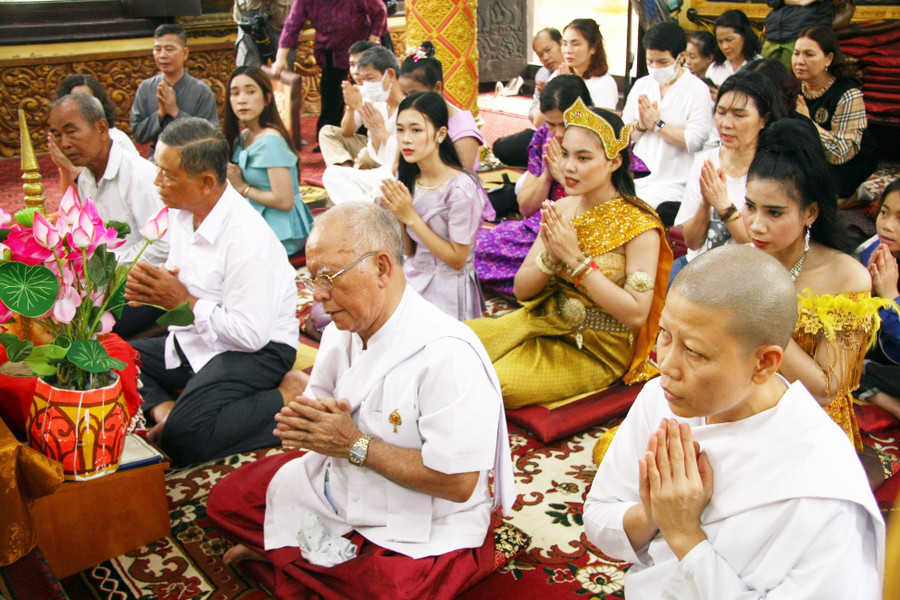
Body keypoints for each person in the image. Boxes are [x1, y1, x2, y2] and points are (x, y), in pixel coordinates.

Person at [205, 202, 515, 600]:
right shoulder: (344, 324)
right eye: (312, 278)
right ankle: (299, 559)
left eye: (328, 278)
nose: (318, 296)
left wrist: (353, 444)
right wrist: (311, 424)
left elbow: (458, 484)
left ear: (382, 268)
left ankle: (288, 554)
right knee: (226, 501)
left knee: (389, 590)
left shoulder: (447, 355)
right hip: (339, 483)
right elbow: (322, 402)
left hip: (422, 512)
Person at [584, 244, 885, 599]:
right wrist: (652, 513)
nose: (665, 365)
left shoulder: (822, 488)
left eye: (694, 351)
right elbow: (598, 518)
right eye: (665, 334)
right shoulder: (660, 398)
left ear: (764, 363)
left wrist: (684, 536)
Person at [467, 99, 672, 408]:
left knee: (493, 384)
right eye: (565, 154)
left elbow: (635, 314)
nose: (568, 166)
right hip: (543, 320)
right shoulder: (563, 208)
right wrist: (550, 256)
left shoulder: (640, 226)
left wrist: (577, 261)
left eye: (583, 157)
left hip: (598, 348)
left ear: (614, 162)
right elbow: (523, 292)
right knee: (456, 344)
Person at [124, 118, 300, 465]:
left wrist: (180, 301)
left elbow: (249, 336)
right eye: (156, 169)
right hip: (199, 336)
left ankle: (287, 394)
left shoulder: (247, 239)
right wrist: (155, 291)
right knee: (115, 358)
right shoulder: (182, 212)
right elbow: (185, 287)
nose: (156, 182)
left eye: (167, 174)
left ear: (205, 183)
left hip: (258, 350)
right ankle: (167, 409)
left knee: (183, 441)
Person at [741, 119, 894, 456]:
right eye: (750, 207)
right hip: (742, 402)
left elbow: (825, 390)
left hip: (808, 424)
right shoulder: (743, 259)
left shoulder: (847, 278)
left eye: (774, 213)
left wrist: (764, 311)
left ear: (810, 213)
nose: (756, 225)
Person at [475, 75, 592, 297]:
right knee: (475, 245)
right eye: (551, 123)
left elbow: (604, 205)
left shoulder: (601, 142)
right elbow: (526, 208)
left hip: (582, 234)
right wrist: (548, 175)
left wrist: (565, 178)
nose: (557, 132)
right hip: (539, 229)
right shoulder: (544, 138)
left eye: (564, 124)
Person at [379, 91, 486, 321]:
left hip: (448, 290)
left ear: (440, 134)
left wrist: (410, 217)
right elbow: (409, 252)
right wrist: (396, 214)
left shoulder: (460, 189)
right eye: (400, 130)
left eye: (416, 130)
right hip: (413, 278)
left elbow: (457, 259)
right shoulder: (409, 178)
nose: (406, 139)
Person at [674, 71, 784, 275]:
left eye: (739, 115)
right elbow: (691, 241)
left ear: (764, 120)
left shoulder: (772, 170)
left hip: (741, 275)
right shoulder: (705, 160)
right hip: (696, 269)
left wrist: (724, 206)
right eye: (721, 112)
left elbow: (761, 249)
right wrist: (705, 205)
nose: (726, 124)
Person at [47, 94, 168, 267]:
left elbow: (163, 247)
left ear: (102, 128)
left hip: (141, 281)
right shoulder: (86, 178)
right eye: (57, 135)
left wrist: (107, 264)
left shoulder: (140, 177)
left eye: (71, 132)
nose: (64, 143)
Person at [622, 21, 714, 226]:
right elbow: (621, 135)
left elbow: (694, 141)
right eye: (650, 61)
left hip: (675, 183)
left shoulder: (697, 89)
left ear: (681, 57)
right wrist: (642, 126)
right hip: (637, 179)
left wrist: (657, 124)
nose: (655, 68)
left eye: (662, 62)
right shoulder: (642, 85)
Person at [224, 66, 314, 257]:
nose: (241, 99)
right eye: (235, 93)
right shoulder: (245, 136)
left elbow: (284, 201)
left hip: (282, 230)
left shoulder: (271, 140)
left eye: (250, 92)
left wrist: (242, 187)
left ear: (266, 98)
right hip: (257, 220)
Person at [272, 0, 387, 134]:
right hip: (331, 51)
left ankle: (366, 134)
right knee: (331, 97)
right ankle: (329, 137)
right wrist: (280, 57)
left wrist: (371, 42)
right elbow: (292, 25)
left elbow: (380, 11)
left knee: (367, 93)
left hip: (362, 49)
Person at [793, 25, 878, 205]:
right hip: (808, 156)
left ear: (828, 59)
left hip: (846, 162)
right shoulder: (791, 86)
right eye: (796, 53)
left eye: (809, 54)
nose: (799, 61)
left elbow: (840, 153)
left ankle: (857, 197)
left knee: (817, 204)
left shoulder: (847, 93)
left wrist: (809, 122)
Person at [321, 46, 404, 204]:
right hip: (383, 171)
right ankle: (365, 208)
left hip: (402, 174)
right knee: (332, 174)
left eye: (370, 79)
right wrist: (372, 130)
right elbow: (377, 156)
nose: (366, 85)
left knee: (373, 191)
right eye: (364, 80)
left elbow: (407, 157)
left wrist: (382, 133)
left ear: (390, 74)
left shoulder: (409, 107)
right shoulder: (379, 105)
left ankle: (364, 210)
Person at [130, 24, 219, 159]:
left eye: (169, 49)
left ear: (185, 53)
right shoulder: (146, 88)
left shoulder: (202, 91)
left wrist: (175, 112)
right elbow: (139, 135)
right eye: (157, 50)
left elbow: (211, 137)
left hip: (193, 161)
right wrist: (160, 114)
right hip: (156, 162)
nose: (162, 55)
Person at [397, 41, 484, 172]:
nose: (410, 100)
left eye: (415, 94)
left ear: (437, 88)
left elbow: (461, 179)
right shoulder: (409, 117)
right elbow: (398, 167)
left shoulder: (463, 129)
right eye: (404, 94)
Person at [854, 179, 900, 420]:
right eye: (884, 212)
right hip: (877, 360)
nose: (888, 226)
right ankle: (884, 399)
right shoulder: (872, 249)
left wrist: (891, 296)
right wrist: (865, 284)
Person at [491, 28, 564, 168]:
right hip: (542, 132)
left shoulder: (598, 81)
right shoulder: (543, 74)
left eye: (549, 50)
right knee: (500, 147)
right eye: (540, 55)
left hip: (564, 137)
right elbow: (534, 117)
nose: (545, 58)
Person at [318, 39, 380, 168]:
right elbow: (347, 133)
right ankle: (346, 172)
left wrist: (358, 105)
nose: (356, 71)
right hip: (369, 143)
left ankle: (348, 179)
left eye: (361, 64)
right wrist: (351, 107)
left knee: (366, 157)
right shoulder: (359, 89)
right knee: (327, 132)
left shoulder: (385, 88)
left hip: (388, 147)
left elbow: (382, 132)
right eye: (352, 65)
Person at [56, 74, 138, 156]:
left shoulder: (116, 138)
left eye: (87, 101)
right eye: (76, 101)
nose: (82, 107)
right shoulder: (64, 142)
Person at [557, 18, 618, 110]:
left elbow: (600, 122)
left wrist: (568, 89)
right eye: (565, 44)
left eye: (575, 44)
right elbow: (538, 119)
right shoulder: (559, 75)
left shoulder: (604, 83)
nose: (568, 50)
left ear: (593, 47)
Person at [762, 0, 833, 71]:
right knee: (764, 75)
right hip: (773, 32)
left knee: (793, 77)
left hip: (800, 36)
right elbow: (772, 2)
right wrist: (799, 2)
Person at [706, 10, 763, 87]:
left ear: (745, 36)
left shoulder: (760, 66)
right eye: (720, 42)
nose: (724, 46)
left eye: (729, 40)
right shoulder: (715, 68)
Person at [232, 0, 293, 69]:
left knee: (285, 73)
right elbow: (239, 17)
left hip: (281, 31)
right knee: (250, 72)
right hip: (250, 31)